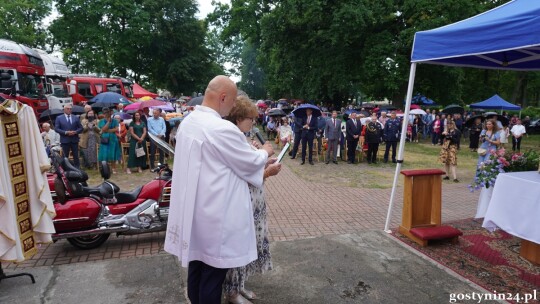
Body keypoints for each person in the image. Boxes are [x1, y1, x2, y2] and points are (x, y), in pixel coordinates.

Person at [164, 76, 274, 304]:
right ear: (223, 97)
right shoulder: (221, 128)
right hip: (217, 216)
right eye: (233, 101)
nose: (233, 107)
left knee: (196, 268)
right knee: (213, 277)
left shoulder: (189, 121)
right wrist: (265, 151)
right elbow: (250, 163)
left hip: (196, 211)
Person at [223, 96, 281, 304]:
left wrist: (265, 162)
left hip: (254, 200)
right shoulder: (232, 139)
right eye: (251, 119)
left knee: (249, 247)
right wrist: (267, 171)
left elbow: (250, 168)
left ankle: (240, 285)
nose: (253, 123)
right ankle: (232, 292)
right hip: (243, 201)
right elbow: (239, 178)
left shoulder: (242, 138)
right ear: (238, 118)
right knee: (239, 247)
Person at [98, 108, 121, 174]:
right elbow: (103, 129)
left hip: (113, 139)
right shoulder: (101, 121)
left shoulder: (115, 121)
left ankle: (113, 168)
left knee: (112, 153)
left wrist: (108, 130)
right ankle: (105, 168)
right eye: (105, 113)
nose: (106, 114)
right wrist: (108, 122)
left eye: (107, 113)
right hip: (105, 139)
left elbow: (116, 129)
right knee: (105, 154)